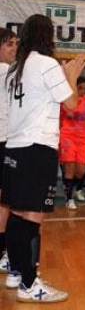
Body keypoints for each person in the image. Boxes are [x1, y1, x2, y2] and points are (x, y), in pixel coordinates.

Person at [2, 14, 85, 303]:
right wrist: (71, 75)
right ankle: (29, 284)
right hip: (38, 148)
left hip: (14, 148)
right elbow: (72, 104)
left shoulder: (16, 68)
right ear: (48, 36)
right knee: (32, 216)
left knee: (15, 214)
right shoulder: (47, 64)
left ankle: (17, 273)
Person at [59, 76, 85, 210]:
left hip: (82, 138)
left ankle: (73, 188)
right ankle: (69, 198)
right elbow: (58, 118)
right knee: (69, 167)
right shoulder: (65, 99)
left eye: (84, 88)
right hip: (67, 136)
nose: (82, 90)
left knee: (81, 170)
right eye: (80, 88)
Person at [0, 28, 18, 281]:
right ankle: (4, 252)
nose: (15, 48)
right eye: (10, 45)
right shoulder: (6, 71)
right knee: (7, 201)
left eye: (16, 44)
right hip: (5, 140)